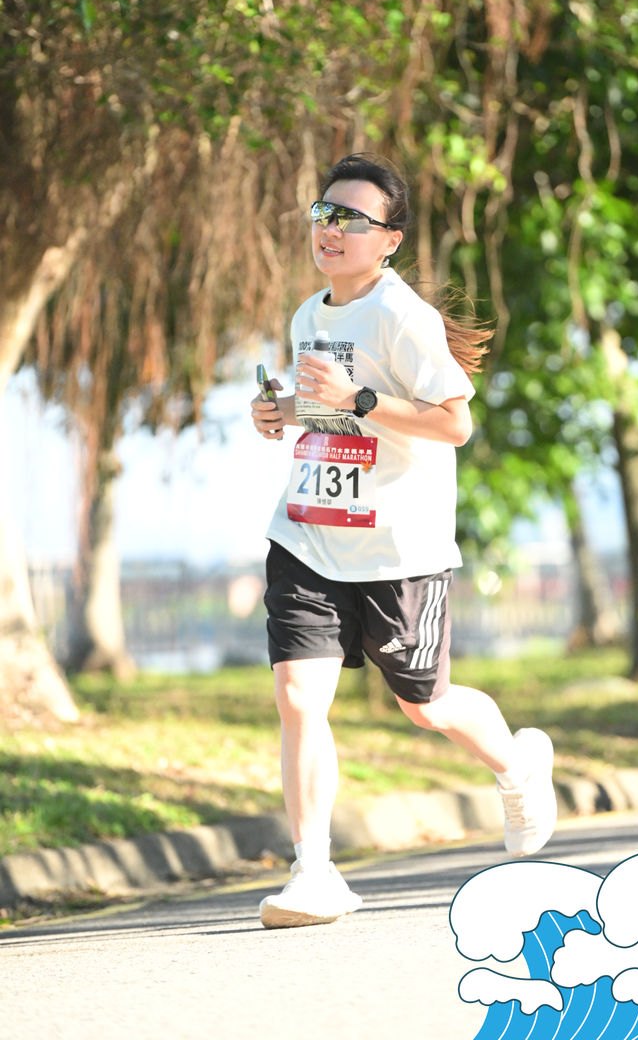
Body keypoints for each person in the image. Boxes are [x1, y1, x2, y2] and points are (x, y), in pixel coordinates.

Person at [249, 153, 557, 930]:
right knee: (298, 699)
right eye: (324, 213)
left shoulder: (401, 316)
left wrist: (359, 397)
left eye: (352, 219)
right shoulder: (309, 315)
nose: (332, 229)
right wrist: (283, 412)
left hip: (399, 550)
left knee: (425, 706)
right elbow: (334, 414)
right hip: (310, 536)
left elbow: (454, 423)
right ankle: (313, 872)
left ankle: (517, 765)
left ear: (389, 240)